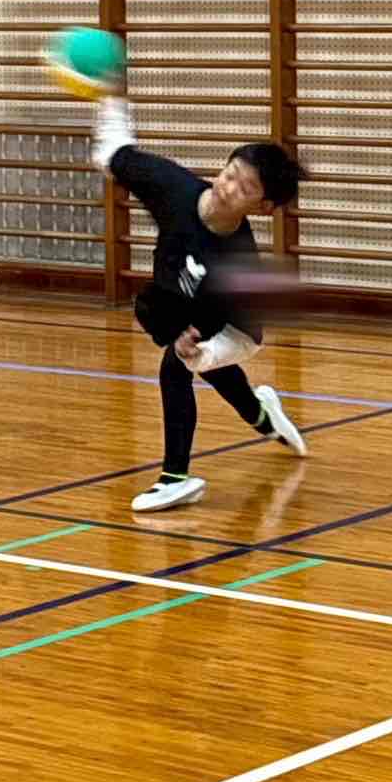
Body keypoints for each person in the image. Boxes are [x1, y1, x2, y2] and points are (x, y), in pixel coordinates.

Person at [94, 93, 307, 512]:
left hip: (223, 322)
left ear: (263, 207)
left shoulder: (237, 265)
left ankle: (175, 478)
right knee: (164, 326)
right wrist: (110, 93)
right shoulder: (173, 187)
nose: (229, 188)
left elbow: (237, 335)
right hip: (171, 298)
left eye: (245, 188)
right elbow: (116, 154)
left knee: (177, 368)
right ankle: (262, 414)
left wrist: (201, 349)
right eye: (230, 174)